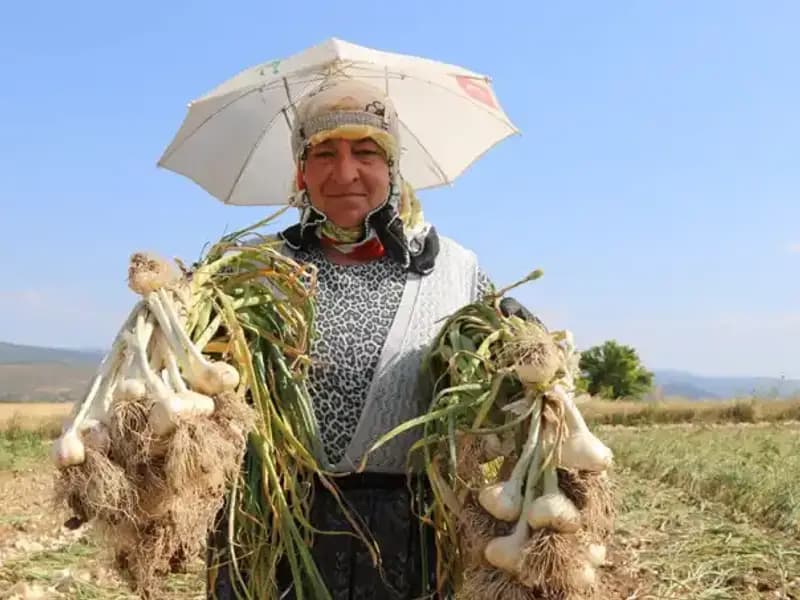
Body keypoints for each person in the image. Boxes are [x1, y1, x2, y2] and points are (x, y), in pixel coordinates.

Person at [206, 79, 530, 599]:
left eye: (366, 153)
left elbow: (492, 399)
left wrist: (520, 356)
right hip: (274, 528)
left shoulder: (455, 271)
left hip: (412, 540)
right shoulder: (250, 271)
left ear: (394, 168)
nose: (345, 173)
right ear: (300, 172)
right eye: (323, 153)